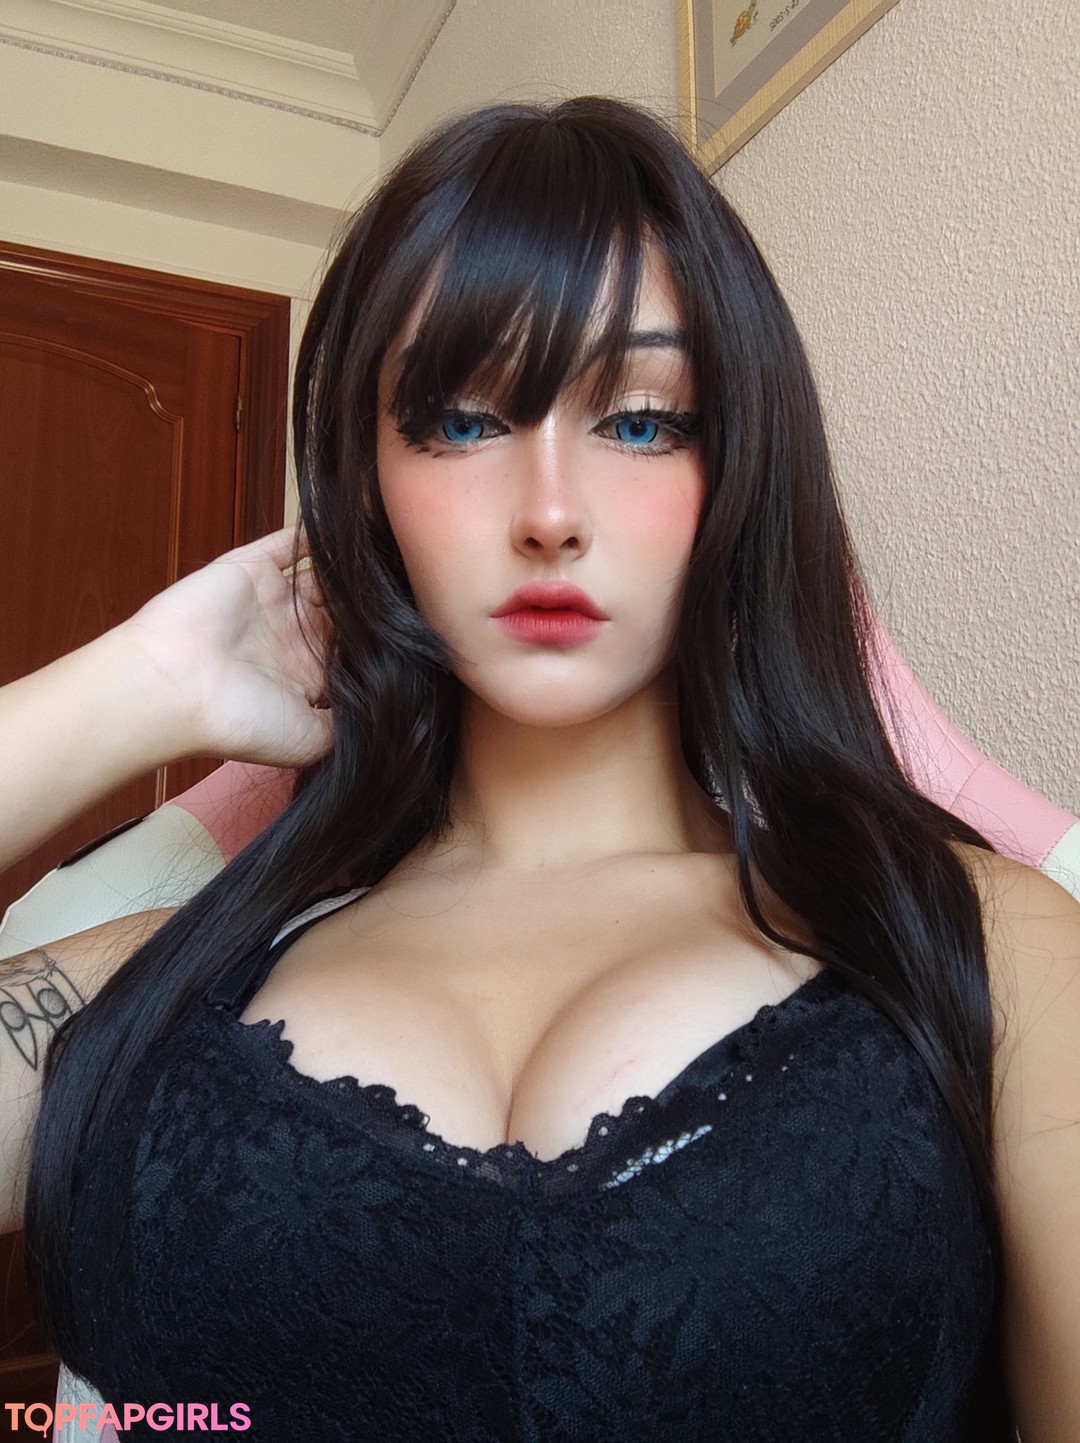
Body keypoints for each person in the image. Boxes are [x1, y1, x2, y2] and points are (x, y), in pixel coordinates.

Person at [1, 96, 1077, 1442]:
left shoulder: (997, 951)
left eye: (644, 420)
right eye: (459, 421)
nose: (550, 514)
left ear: (740, 460)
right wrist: (141, 686)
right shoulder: (160, 979)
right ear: (364, 483)